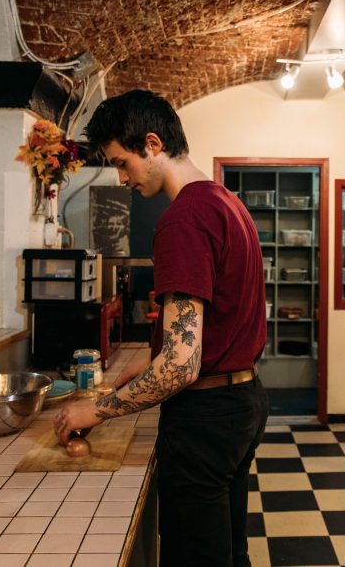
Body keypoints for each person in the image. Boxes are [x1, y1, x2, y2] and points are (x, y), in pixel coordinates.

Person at [54, 89, 269, 566]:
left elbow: (179, 366)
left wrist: (98, 410)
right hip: (243, 401)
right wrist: (146, 369)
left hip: (206, 416)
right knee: (230, 552)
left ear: (153, 143)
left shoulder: (183, 220)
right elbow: (219, 326)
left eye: (122, 162)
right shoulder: (226, 203)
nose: (121, 177)